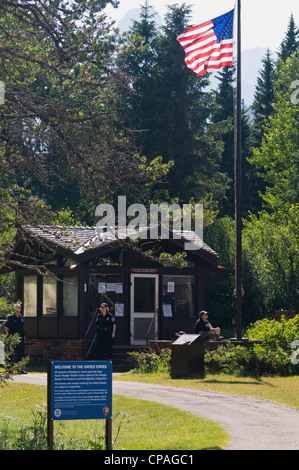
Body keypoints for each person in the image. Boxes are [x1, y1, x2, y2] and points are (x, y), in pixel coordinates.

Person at [4, 302, 27, 372]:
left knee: (20, 353)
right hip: (13, 338)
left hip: (21, 338)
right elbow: (6, 327)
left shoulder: (22, 317)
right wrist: (10, 335)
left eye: (19, 308)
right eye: (16, 308)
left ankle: (19, 369)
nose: (18, 309)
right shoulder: (10, 317)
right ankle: (9, 368)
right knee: (11, 353)